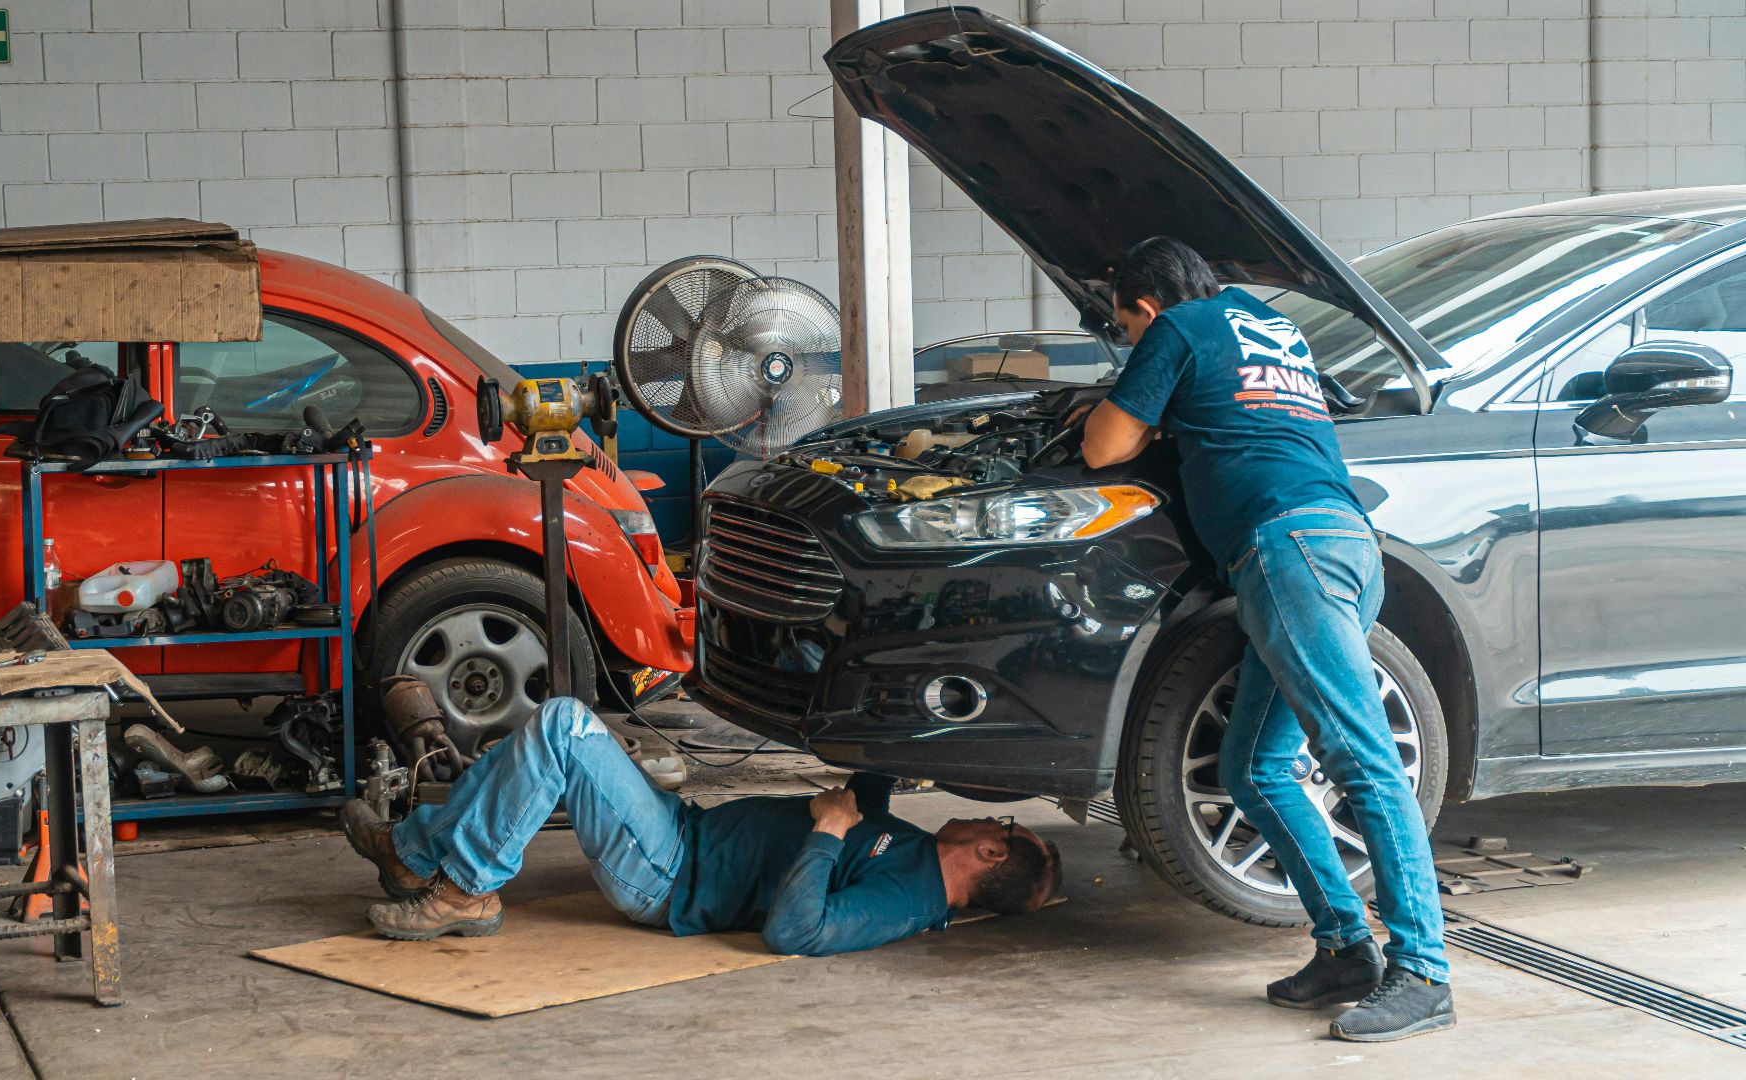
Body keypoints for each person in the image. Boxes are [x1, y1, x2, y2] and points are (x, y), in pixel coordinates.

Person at [1076, 237, 1453, 1043]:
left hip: (1292, 556)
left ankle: (1423, 973)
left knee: (1362, 763)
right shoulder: (1267, 324)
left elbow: (1104, 446)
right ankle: (1348, 948)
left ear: (1146, 306)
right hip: (1344, 541)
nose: (1134, 341)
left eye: (1126, 329)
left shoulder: (1175, 329)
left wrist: (1134, 400)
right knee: (1254, 768)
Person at [340, 697, 1061, 956]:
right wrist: (884, 744)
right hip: (685, 833)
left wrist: (829, 833)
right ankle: (412, 855)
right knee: (528, 751)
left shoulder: (906, 903)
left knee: (564, 727)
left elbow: (797, 933)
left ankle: (467, 888)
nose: (982, 815)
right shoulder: (910, 854)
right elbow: (866, 801)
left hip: (668, 877)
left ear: (991, 851)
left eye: (997, 821)